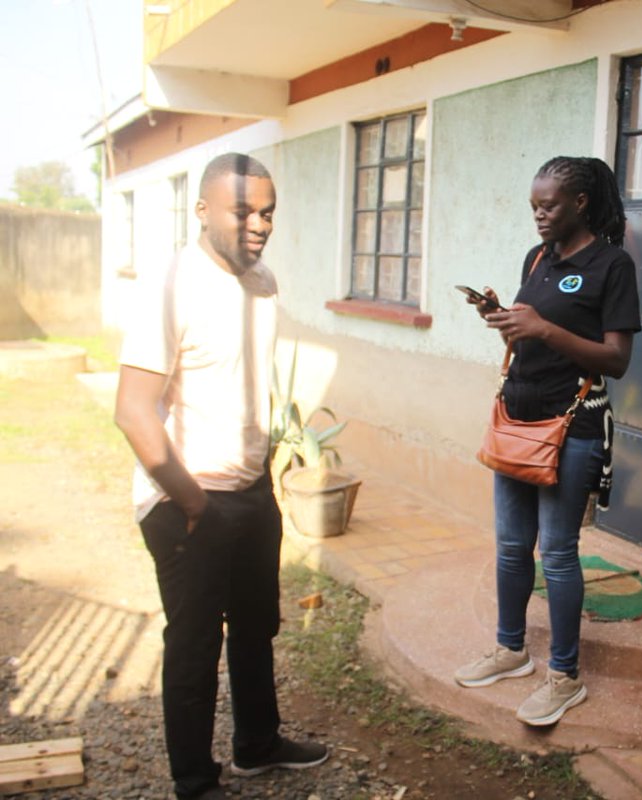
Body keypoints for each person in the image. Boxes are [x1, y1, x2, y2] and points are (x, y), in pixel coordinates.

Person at [114, 153, 328, 800]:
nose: (258, 223)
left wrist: (262, 471)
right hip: (189, 499)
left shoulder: (262, 281)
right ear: (203, 210)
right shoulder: (170, 285)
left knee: (257, 625)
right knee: (195, 644)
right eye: (242, 211)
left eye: (267, 212)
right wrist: (190, 501)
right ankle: (193, 779)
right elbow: (132, 409)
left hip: (249, 490)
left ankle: (257, 745)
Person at [454, 156, 641, 726]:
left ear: (580, 203)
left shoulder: (613, 265)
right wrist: (507, 317)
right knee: (512, 546)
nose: (539, 214)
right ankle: (511, 650)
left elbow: (617, 359)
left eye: (549, 205)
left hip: (572, 424)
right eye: (534, 205)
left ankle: (564, 676)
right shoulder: (536, 257)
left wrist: (541, 327)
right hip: (517, 417)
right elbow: (533, 322)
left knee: (556, 553)